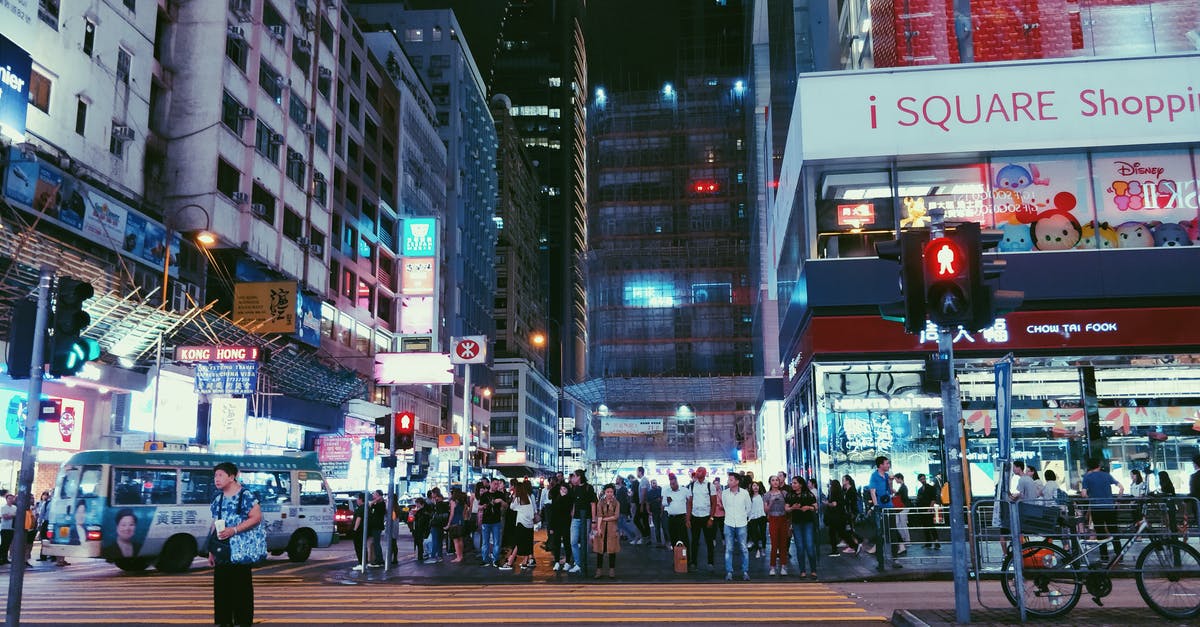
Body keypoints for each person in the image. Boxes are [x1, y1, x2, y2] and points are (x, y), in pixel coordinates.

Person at [208, 461, 265, 627]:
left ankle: (243, 622)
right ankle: (224, 622)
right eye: (215, 475)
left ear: (232, 477)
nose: (216, 479)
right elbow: (215, 523)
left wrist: (234, 530)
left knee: (241, 590)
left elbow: (256, 518)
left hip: (241, 552)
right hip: (223, 551)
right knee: (222, 591)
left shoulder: (246, 495)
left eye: (220, 475)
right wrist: (211, 551)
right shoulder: (217, 498)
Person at [1080, 457, 1124, 560]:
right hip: (1110, 508)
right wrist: (1118, 500)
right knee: (1114, 531)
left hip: (1096, 509)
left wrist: (1091, 497)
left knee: (1100, 533)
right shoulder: (1107, 475)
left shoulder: (1087, 477)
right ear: (1099, 465)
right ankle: (1119, 555)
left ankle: (1104, 556)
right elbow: (1121, 487)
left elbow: (1083, 494)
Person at [867, 455, 899, 571]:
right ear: (880, 465)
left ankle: (895, 558)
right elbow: (872, 492)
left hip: (889, 507)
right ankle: (880, 562)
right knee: (879, 535)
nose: (888, 465)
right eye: (886, 463)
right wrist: (876, 506)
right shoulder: (874, 476)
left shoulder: (886, 476)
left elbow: (890, 491)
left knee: (893, 533)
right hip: (880, 508)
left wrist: (890, 482)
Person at [685, 466, 718, 572]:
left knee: (709, 541)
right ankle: (693, 562)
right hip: (695, 517)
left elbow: (714, 503)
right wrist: (688, 519)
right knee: (694, 541)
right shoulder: (692, 486)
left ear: (704, 473)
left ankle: (710, 562)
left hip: (706, 517)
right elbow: (689, 503)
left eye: (700, 471)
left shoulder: (710, 486)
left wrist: (711, 518)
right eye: (697, 471)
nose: (697, 472)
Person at [721, 472, 752, 581]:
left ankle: (745, 571)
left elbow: (749, 507)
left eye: (731, 480)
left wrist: (744, 516)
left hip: (741, 523)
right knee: (729, 548)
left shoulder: (744, 493)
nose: (729, 482)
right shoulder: (725, 493)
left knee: (743, 548)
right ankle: (729, 572)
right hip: (728, 522)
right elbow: (724, 506)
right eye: (729, 480)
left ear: (737, 481)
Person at [499, 481, 536, 571]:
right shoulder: (528, 497)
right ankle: (525, 562)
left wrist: (514, 497)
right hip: (529, 524)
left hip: (521, 523)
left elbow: (511, 507)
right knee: (527, 542)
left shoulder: (518, 499)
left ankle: (509, 562)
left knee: (518, 543)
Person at [786, 476, 819, 579]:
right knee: (799, 547)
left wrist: (808, 507)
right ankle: (802, 571)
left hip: (808, 522)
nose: (793, 485)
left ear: (800, 484)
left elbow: (816, 507)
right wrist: (792, 508)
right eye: (792, 483)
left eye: (795, 483)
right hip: (796, 523)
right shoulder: (790, 495)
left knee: (809, 546)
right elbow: (786, 509)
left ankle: (813, 570)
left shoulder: (809, 494)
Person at [567, 470, 596, 574]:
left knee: (585, 542)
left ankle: (583, 563)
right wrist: (572, 514)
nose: (572, 478)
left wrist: (593, 520)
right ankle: (578, 563)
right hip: (576, 518)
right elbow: (575, 502)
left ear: (579, 477)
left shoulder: (589, 488)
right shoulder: (574, 488)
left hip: (586, 518)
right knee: (573, 541)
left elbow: (593, 504)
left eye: (574, 476)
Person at [824, 478, 858, 556]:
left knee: (834, 533)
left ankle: (835, 550)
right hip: (840, 516)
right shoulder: (841, 493)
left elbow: (834, 504)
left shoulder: (835, 494)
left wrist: (827, 503)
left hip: (835, 517)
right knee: (842, 533)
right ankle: (854, 545)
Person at [593, 483, 620, 578]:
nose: (609, 494)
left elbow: (616, 516)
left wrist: (605, 519)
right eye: (608, 492)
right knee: (600, 550)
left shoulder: (616, 502)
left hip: (612, 528)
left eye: (611, 492)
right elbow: (599, 515)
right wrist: (599, 527)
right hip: (602, 528)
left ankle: (612, 570)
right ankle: (598, 570)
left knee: (612, 550)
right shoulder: (600, 502)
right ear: (605, 492)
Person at [764, 474, 790, 575]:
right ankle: (772, 567)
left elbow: (788, 507)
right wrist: (771, 502)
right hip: (773, 519)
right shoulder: (767, 495)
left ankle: (784, 566)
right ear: (770, 482)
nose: (775, 482)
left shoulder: (784, 493)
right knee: (774, 544)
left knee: (783, 544)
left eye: (777, 480)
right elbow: (766, 510)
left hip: (783, 519)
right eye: (773, 480)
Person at [480, 478, 508, 567]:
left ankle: (496, 559)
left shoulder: (500, 494)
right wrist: (483, 506)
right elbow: (479, 507)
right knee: (485, 542)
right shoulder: (485, 495)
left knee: (496, 541)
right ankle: (485, 559)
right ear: (491, 484)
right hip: (486, 521)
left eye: (498, 484)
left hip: (496, 521)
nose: (496, 486)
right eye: (495, 484)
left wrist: (501, 501)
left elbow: (506, 506)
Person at [548, 483, 574, 571]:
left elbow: (567, 508)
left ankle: (567, 562)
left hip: (566, 523)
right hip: (557, 524)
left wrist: (563, 497)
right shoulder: (556, 499)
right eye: (561, 489)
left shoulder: (570, 498)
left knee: (567, 542)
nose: (563, 490)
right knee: (556, 543)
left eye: (565, 489)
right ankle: (557, 562)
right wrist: (551, 527)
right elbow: (553, 513)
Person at [914, 474, 940, 550]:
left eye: (924, 479)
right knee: (925, 526)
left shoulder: (931, 488)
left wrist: (930, 508)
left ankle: (936, 541)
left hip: (928, 509)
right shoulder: (920, 490)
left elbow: (933, 499)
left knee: (931, 526)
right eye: (921, 479)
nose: (923, 480)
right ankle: (928, 542)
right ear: (919, 480)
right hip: (922, 510)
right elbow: (919, 500)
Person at [613, 476, 642, 545]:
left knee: (621, 524)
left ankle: (633, 535)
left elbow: (627, 499)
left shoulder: (623, 489)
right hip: (620, 509)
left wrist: (627, 509)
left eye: (617, 479)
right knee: (621, 524)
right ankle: (626, 535)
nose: (616, 480)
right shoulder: (620, 488)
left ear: (620, 480)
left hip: (622, 509)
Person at [663, 473, 688, 546]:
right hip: (671, 518)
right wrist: (667, 501)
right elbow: (663, 503)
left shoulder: (684, 490)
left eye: (673, 483)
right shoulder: (667, 491)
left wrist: (688, 517)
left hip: (682, 518)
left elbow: (689, 502)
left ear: (677, 482)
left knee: (684, 538)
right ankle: (676, 555)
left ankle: (686, 556)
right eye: (671, 484)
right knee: (673, 538)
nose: (672, 485)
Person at [891, 474, 911, 555]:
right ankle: (904, 539)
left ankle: (907, 540)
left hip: (904, 507)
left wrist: (896, 493)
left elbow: (902, 497)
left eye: (896, 479)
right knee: (899, 524)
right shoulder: (903, 487)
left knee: (902, 524)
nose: (896, 481)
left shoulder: (903, 487)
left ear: (899, 478)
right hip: (902, 508)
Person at [447, 486, 467, 563]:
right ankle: (461, 556)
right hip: (461, 521)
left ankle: (458, 557)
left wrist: (448, 523)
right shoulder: (462, 502)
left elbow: (452, 513)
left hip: (454, 522)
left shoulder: (453, 501)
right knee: (461, 539)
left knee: (455, 540)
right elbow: (464, 513)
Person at [747, 480, 767, 558]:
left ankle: (763, 548)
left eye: (757, 485)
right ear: (751, 487)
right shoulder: (749, 497)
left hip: (762, 516)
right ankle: (757, 550)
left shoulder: (763, 496)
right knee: (754, 534)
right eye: (754, 486)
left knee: (763, 533)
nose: (755, 487)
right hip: (752, 517)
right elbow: (748, 508)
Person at [367, 490, 385, 567]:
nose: (373, 495)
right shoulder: (377, 504)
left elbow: (371, 504)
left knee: (376, 543)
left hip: (377, 526)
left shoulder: (381, 504)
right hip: (374, 526)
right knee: (375, 543)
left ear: (378, 495)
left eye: (374, 494)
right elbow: (369, 506)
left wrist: (376, 500)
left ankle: (379, 560)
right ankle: (378, 559)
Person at [410, 497, 431, 563]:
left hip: (422, 529)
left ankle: (421, 555)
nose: (416, 506)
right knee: (418, 542)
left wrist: (416, 515)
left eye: (417, 504)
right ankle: (419, 555)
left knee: (420, 543)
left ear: (421, 504)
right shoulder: (419, 511)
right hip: (417, 529)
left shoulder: (424, 511)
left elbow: (423, 521)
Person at [647, 478, 665, 546]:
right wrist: (648, 511)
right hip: (654, 511)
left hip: (662, 510)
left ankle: (667, 542)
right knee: (657, 527)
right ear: (651, 484)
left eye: (655, 482)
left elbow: (663, 499)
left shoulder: (660, 490)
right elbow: (648, 502)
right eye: (653, 483)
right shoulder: (649, 492)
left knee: (664, 527)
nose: (655, 484)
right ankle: (659, 542)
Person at [350, 495, 365, 568]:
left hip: (358, 530)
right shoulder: (365, 507)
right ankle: (363, 562)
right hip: (362, 530)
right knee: (361, 547)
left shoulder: (360, 509)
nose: (356, 501)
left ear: (361, 499)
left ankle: (361, 563)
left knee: (358, 547)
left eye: (357, 499)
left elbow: (358, 519)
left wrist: (355, 529)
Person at [35, 491, 51, 561]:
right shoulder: (46, 503)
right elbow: (41, 514)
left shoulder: (58, 503)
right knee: (44, 539)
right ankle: (43, 556)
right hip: (46, 522)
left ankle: (53, 556)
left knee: (52, 540)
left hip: (54, 522)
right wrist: (39, 523)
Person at [0, 493, 15, 564]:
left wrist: (11, 515)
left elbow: (16, 516)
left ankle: (5, 559)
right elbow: (5, 517)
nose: (11, 500)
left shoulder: (15, 507)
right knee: (3, 544)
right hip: (5, 528)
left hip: (12, 528)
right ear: (6, 499)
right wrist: (13, 515)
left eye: (12, 498)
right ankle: (1, 558)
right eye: (9, 498)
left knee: (8, 545)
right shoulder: (3, 508)